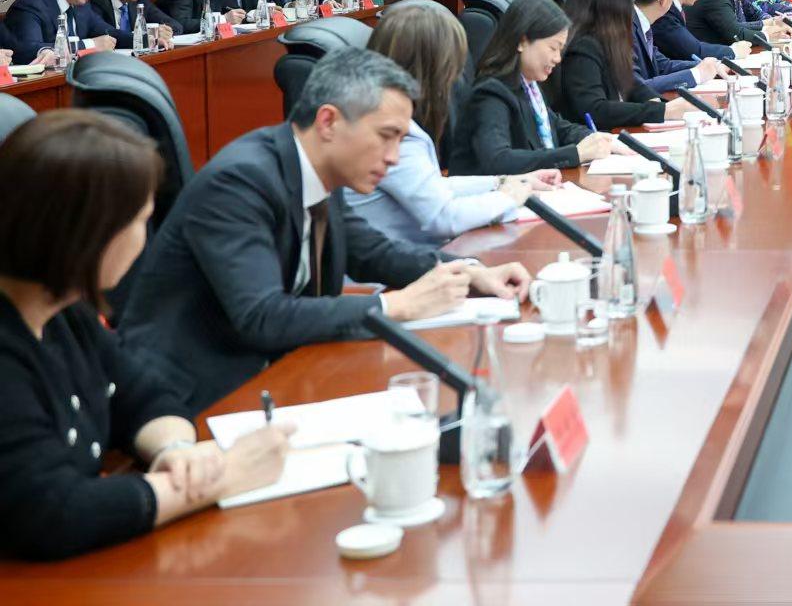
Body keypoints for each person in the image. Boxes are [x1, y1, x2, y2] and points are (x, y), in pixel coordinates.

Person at [119, 48, 531, 414]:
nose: (393, 158)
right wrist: (398, 305)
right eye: (386, 137)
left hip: (281, 373)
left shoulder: (319, 174)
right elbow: (262, 316)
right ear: (329, 122)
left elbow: (375, 253)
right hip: (195, 401)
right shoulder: (241, 182)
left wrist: (471, 272)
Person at [0, 111, 295, 560]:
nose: (144, 240)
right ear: (88, 233)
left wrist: (178, 452)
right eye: (141, 220)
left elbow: (142, 394)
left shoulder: (63, 312)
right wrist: (222, 477)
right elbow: (50, 511)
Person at [346, 0, 560, 247]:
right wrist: (507, 197)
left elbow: (433, 186)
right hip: (400, 264)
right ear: (434, 69)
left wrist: (501, 182)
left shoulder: (378, 115)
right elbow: (444, 217)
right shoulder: (393, 135)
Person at [447, 0, 627, 175]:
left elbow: (558, 127)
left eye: (560, 50)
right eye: (553, 48)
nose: (557, 58)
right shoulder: (491, 93)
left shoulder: (529, 87)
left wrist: (598, 140)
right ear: (522, 41)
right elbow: (498, 160)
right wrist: (577, 153)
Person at [555, 0, 699, 131]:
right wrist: (660, 111)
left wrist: (658, 103)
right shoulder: (582, 47)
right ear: (615, 9)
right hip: (595, 139)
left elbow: (629, 81)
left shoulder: (605, 40)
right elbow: (595, 109)